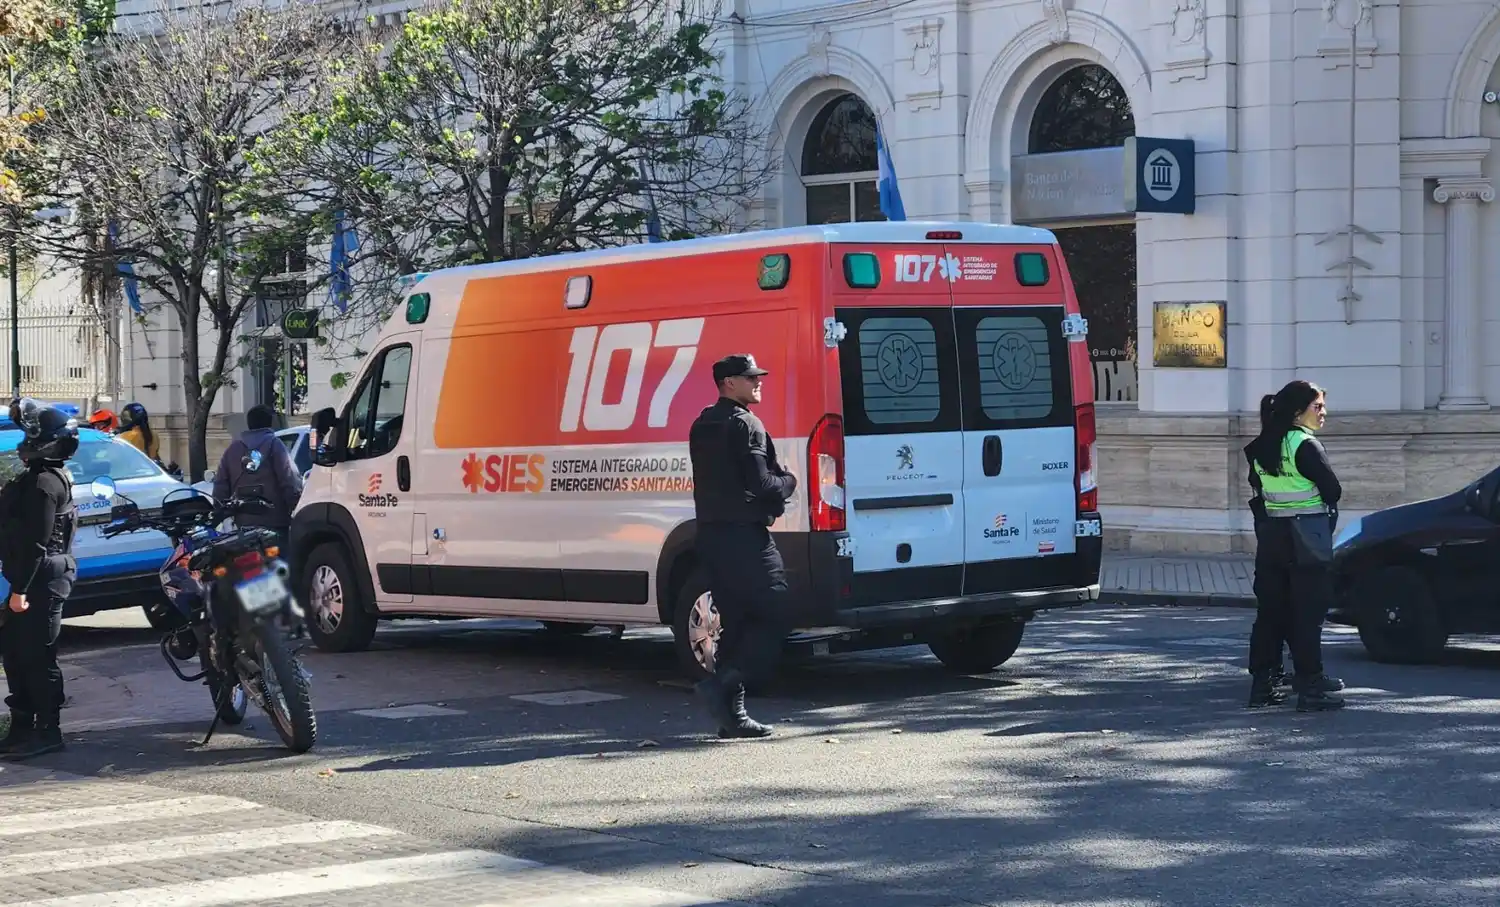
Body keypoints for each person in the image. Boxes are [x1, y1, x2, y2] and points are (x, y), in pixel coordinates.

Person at [687, 353, 797, 739]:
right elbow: (762, 484)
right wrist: (790, 481)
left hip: (711, 536)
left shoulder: (702, 423)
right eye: (750, 378)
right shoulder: (746, 423)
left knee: (735, 622)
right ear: (729, 383)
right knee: (776, 611)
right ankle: (722, 686)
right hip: (745, 538)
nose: (758, 382)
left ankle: (733, 717)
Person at [1245, 380, 1345, 712]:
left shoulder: (1263, 443)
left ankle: (1264, 684)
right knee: (1307, 615)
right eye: (1318, 407)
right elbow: (1332, 491)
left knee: (1271, 614)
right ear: (1299, 411)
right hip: (1306, 540)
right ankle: (1310, 686)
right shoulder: (1304, 444)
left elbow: (1257, 486)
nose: (1324, 413)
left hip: (1272, 537)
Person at [0, 399, 79, 759]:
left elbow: (37, 542)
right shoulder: (35, 479)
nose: (24, 445)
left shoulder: (45, 484)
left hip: (41, 578)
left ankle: (48, 731)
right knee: (15, 654)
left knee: (37, 656)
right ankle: (21, 727)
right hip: (30, 576)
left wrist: (19, 591)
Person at [212, 405, 304, 548]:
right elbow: (290, 479)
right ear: (270, 422)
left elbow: (220, 486)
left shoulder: (233, 449)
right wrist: (296, 507)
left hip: (243, 524)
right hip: (274, 523)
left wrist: (222, 512)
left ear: (249, 424)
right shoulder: (274, 444)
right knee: (282, 560)